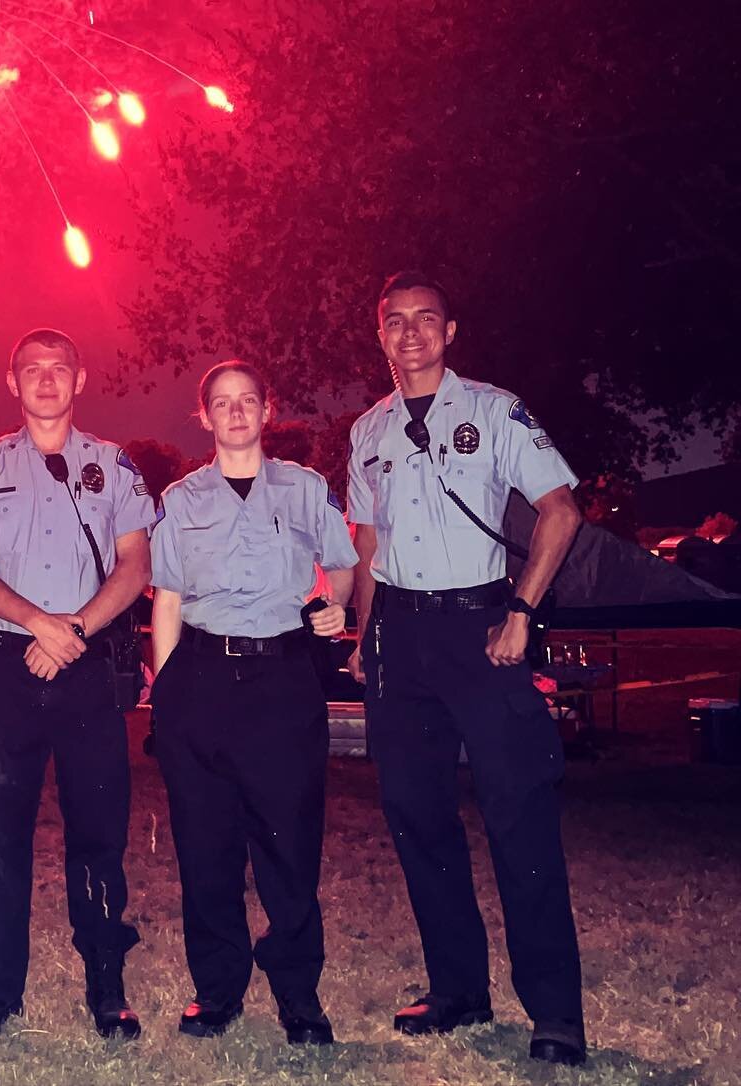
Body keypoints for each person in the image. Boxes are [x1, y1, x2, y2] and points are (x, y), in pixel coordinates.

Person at [344, 272, 587, 1066]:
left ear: (451, 332)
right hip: (401, 643)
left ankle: (554, 1013)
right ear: (379, 335)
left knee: (519, 815)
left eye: (426, 321)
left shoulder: (493, 408)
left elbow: (561, 508)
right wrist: (363, 636)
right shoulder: (367, 430)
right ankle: (457, 991)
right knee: (419, 820)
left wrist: (521, 610)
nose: (410, 334)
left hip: (484, 632)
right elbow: (369, 548)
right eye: (395, 323)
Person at [0, 328, 153, 1040]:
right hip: (7, 670)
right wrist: (40, 624)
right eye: (30, 368)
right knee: (0, 839)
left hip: (86, 667)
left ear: (80, 379)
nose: (44, 379)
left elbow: (134, 565)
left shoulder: (112, 466)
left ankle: (107, 987)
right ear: (12, 383)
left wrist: (74, 633)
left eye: (58, 368)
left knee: (98, 836)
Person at [149, 361, 357, 1044]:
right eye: (221, 404)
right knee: (205, 848)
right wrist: (165, 696)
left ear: (268, 411)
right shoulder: (181, 500)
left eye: (247, 402)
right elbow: (170, 601)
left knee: (289, 846)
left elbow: (344, 566)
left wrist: (337, 606)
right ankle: (217, 989)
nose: (235, 414)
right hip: (201, 680)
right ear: (203, 416)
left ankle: (299, 994)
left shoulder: (306, 490)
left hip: (282, 681)